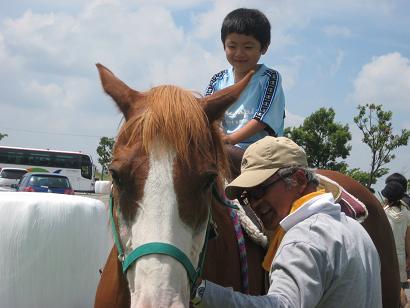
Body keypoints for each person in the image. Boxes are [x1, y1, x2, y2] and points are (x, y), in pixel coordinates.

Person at [191, 136, 382, 307]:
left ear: (298, 179)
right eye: (247, 197)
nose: (255, 204)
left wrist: (200, 292)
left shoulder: (303, 239)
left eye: (259, 191)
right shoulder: (356, 230)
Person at [204, 8, 285, 150]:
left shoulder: (269, 78)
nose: (239, 53)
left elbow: (262, 118)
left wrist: (231, 139)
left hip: (263, 151)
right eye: (232, 46)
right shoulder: (218, 80)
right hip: (225, 147)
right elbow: (209, 114)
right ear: (224, 45)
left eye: (248, 47)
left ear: (264, 47)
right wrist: (218, 135)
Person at [382, 179, 410, 288]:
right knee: (400, 288)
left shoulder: (384, 213)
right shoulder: (407, 213)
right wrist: (409, 257)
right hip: (401, 256)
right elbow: (408, 239)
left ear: (387, 198)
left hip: (387, 256)